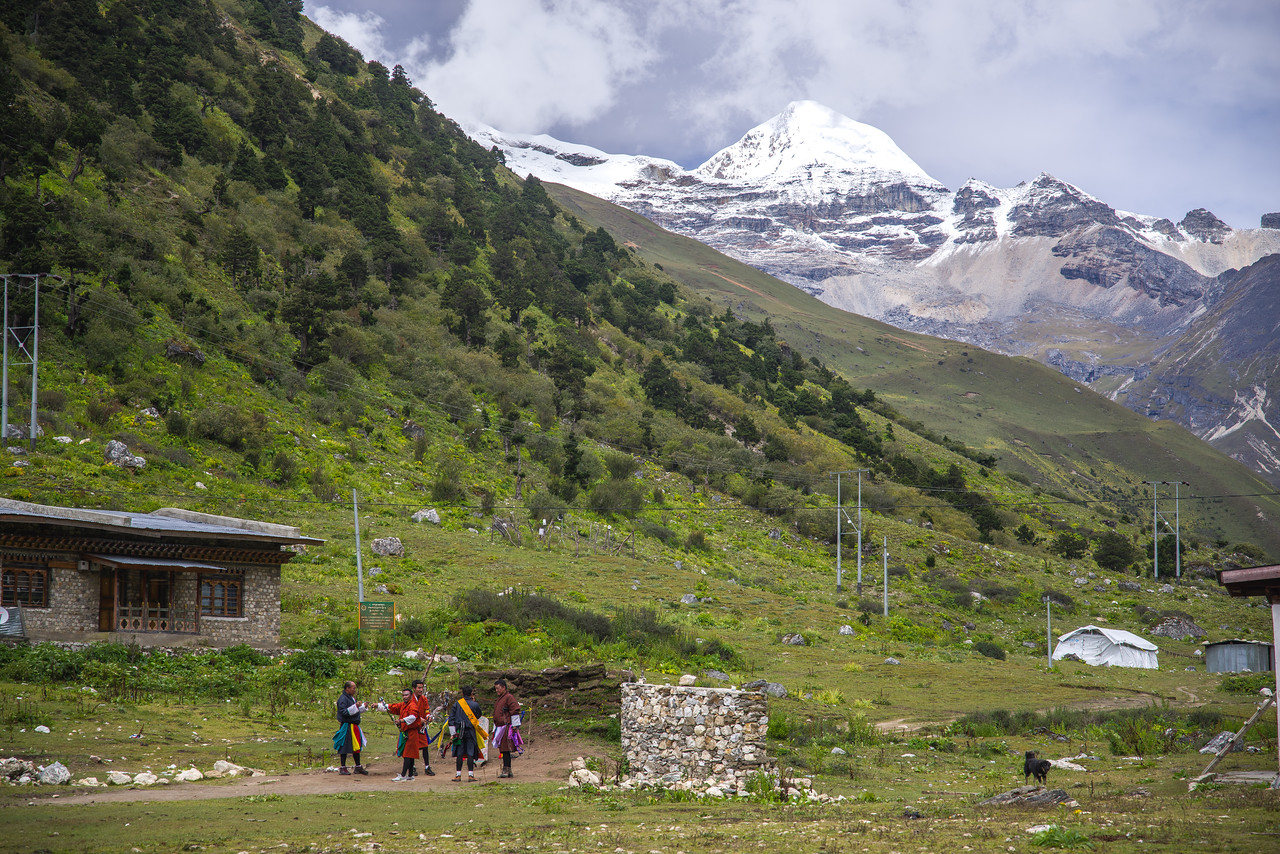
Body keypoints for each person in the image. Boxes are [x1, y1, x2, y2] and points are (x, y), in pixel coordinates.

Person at [382, 687, 425, 781]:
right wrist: (378, 706)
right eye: (403, 695)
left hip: (411, 733)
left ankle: (403, 775)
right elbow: (392, 707)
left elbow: (413, 717)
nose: (404, 697)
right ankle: (410, 775)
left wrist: (401, 720)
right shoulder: (403, 705)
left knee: (407, 754)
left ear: (410, 696)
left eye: (406, 695)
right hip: (406, 732)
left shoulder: (412, 705)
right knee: (410, 754)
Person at [448, 685, 486, 782]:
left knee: (459, 753)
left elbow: (451, 719)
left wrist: (453, 733)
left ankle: (458, 775)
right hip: (470, 731)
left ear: (462, 693)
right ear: (471, 693)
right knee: (470, 753)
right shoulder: (474, 704)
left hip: (459, 732)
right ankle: (470, 775)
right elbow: (478, 715)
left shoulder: (457, 704)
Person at [333, 680, 369, 776]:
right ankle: (343, 767)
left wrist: (363, 707)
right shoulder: (343, 699)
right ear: (347, 688)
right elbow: (344, 712)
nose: (355, 690)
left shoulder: (350, 697)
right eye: (353, 688)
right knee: (344, 746)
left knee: (356, 746)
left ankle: (358, 766)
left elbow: (354, 710)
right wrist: (356, 706)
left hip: (354, 726)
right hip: (347, 726)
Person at [491, 678, 523, 779]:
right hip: (500, 726)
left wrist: (515, 726)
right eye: (495, 689)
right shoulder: (501, 698)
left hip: (507, 726)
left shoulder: (509, 697)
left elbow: (514, 711)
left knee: (506, 749)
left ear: (504, 687)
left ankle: (506, 770)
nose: (497, 691)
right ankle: (508, 769)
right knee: (504, 749)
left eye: (498, 688)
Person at [411, 679, 437, 776]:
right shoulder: (410, 699)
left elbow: (426, 710)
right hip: (413, 727)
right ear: (414, 689)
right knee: (413, 747)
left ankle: (427, 767)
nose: (421, 690)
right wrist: (418, 720)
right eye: (419, 688)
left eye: (422, 688)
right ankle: (412, 767)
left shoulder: (424, 699)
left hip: (422, 727)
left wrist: (428, 717)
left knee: (425, 746)